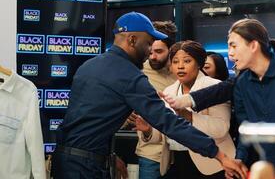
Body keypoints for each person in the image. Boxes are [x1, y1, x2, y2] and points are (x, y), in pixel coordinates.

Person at [51, 12, 247, 179]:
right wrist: (219, 155)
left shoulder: (89, 66)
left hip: (64, 161)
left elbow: (89, 123)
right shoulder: (129, 76)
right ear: (132, 40)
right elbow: (168, 122)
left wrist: (109, 156)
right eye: (149, 43)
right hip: (85, 167)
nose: (150, 51)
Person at [162, 18, 275, 177]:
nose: (230, 54)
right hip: (266, 169)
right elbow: (245, 129)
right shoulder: (242, 83)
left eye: (233, 46)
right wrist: (239, 159)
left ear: (253, 45)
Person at [135, 40, 236, 179]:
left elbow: (221, 128)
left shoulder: (214, 87)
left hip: (211, 164)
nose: (180, 66)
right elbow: (165, 133)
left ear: (199, 63)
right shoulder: (169, 91)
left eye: (187, 61)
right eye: (175, 62)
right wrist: (148, 130)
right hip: (176, 160)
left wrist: (189, 116)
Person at [134, 21, 177, 179]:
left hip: (182, 151)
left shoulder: (182, 70)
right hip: (152, 152)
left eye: (159, 52)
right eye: (150, 51)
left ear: (171, 50)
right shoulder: (138, 71)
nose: (153, 57)